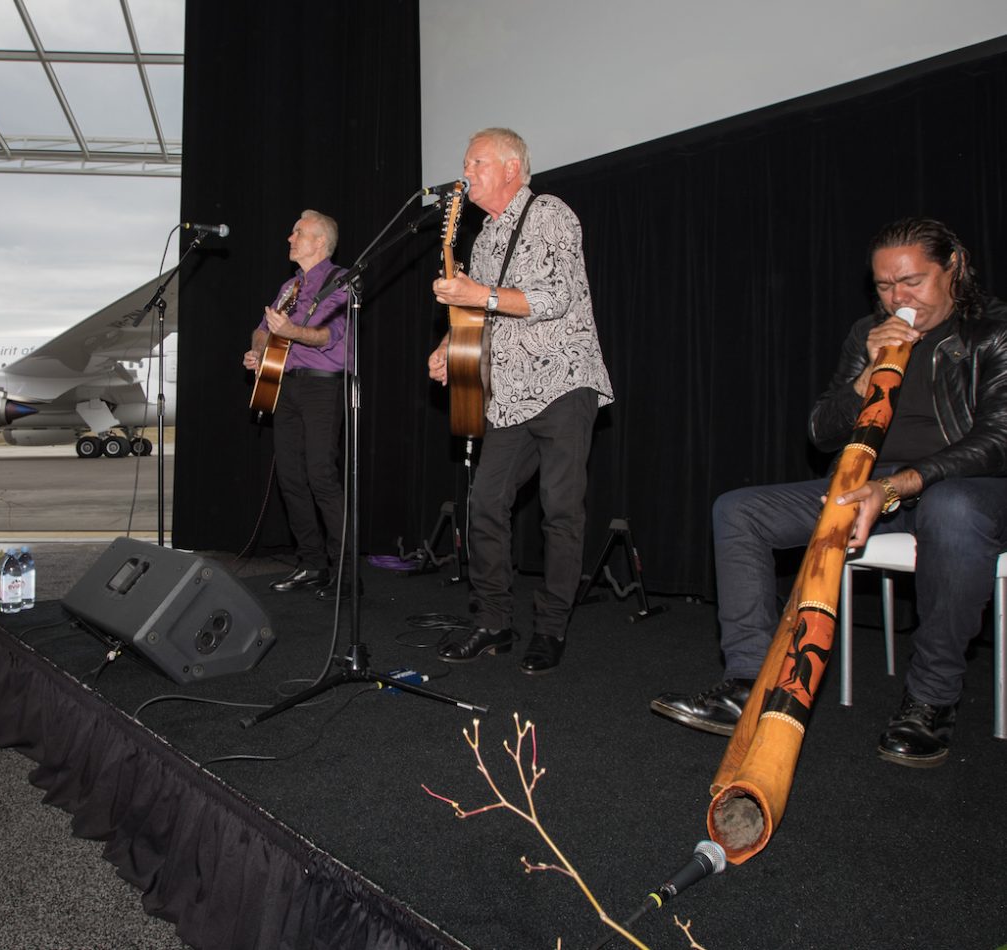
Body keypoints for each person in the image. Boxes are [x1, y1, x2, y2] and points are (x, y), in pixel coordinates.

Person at [651, 217, 1007, 767]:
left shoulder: (993, 330)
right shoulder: (868, 331)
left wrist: (898, 484)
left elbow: (998, 438)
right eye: (884, 286)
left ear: (953, 268)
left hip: (964, 491)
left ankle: (931, 701)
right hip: (865, 487)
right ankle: (748, 683)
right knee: (738, 510)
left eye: (911, 282)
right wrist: (865, 377)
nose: (896, 298)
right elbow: (821, 429)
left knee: (951, 508)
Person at [427, 127, 614, 672]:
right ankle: (492, 621)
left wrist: (474, 293)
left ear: (511, 167)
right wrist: (446, 347)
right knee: (484, 503)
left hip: (561, 383)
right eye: (464, 162)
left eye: (476, 162)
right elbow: (479, 312)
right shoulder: (483, 237)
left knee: (560, 510)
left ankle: (551, 628)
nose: (465, 173)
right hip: (506, 394)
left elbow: (557, 296)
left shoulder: (550, 212)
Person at [243, 210, 351, 599]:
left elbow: (329, 335)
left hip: (322, 388)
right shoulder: (290, 286)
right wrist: (259, 352)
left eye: (298, 233)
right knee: (290, 477)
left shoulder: (342, 281)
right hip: (283, 386)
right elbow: (261, 329)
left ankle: (345, 571)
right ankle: (312, 564)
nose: (290, 238)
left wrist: (291, 332)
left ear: (319, 242)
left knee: (321, 474)